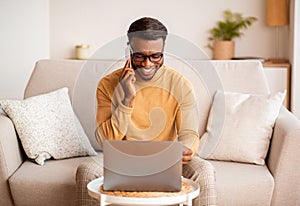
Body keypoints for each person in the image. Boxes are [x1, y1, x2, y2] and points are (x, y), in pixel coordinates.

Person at [76, 17, 217, 206]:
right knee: (86, 170)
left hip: (167, 162)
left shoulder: (180, 84)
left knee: (204, 171)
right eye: (140, 56)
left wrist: (186, 148)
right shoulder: (107, 84)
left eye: (155, 56)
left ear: (163, 51)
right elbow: (105, 140)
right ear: (129, 50)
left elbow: (189, 132)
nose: (147, 64)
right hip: (122, 161)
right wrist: (127, 99)